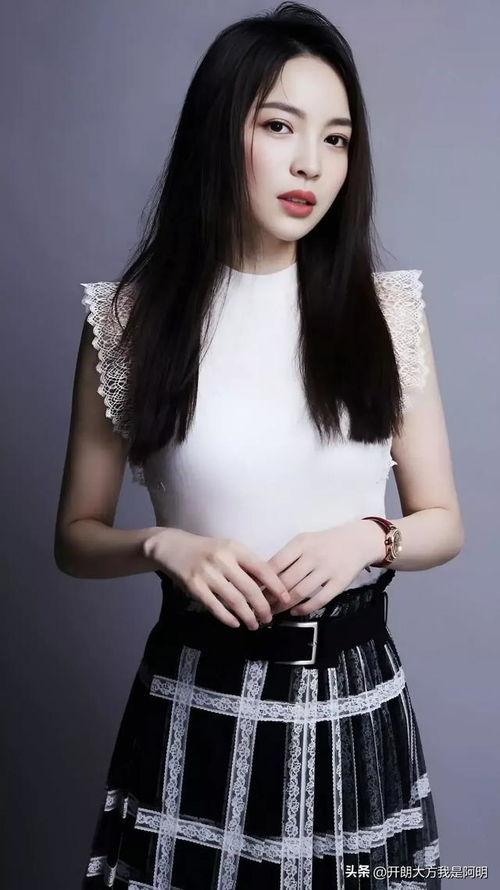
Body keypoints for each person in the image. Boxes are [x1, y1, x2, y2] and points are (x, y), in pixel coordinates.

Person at [54, 3, 464, 888]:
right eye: (279, 126)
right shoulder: (127, 322)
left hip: (353, 698)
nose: (311, 162)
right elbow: (75, 539)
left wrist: (370, 537)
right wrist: (161, 545)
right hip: (195, 697)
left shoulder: (386, 312)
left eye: (337, 138)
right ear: (219, 130)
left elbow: (443, 521)